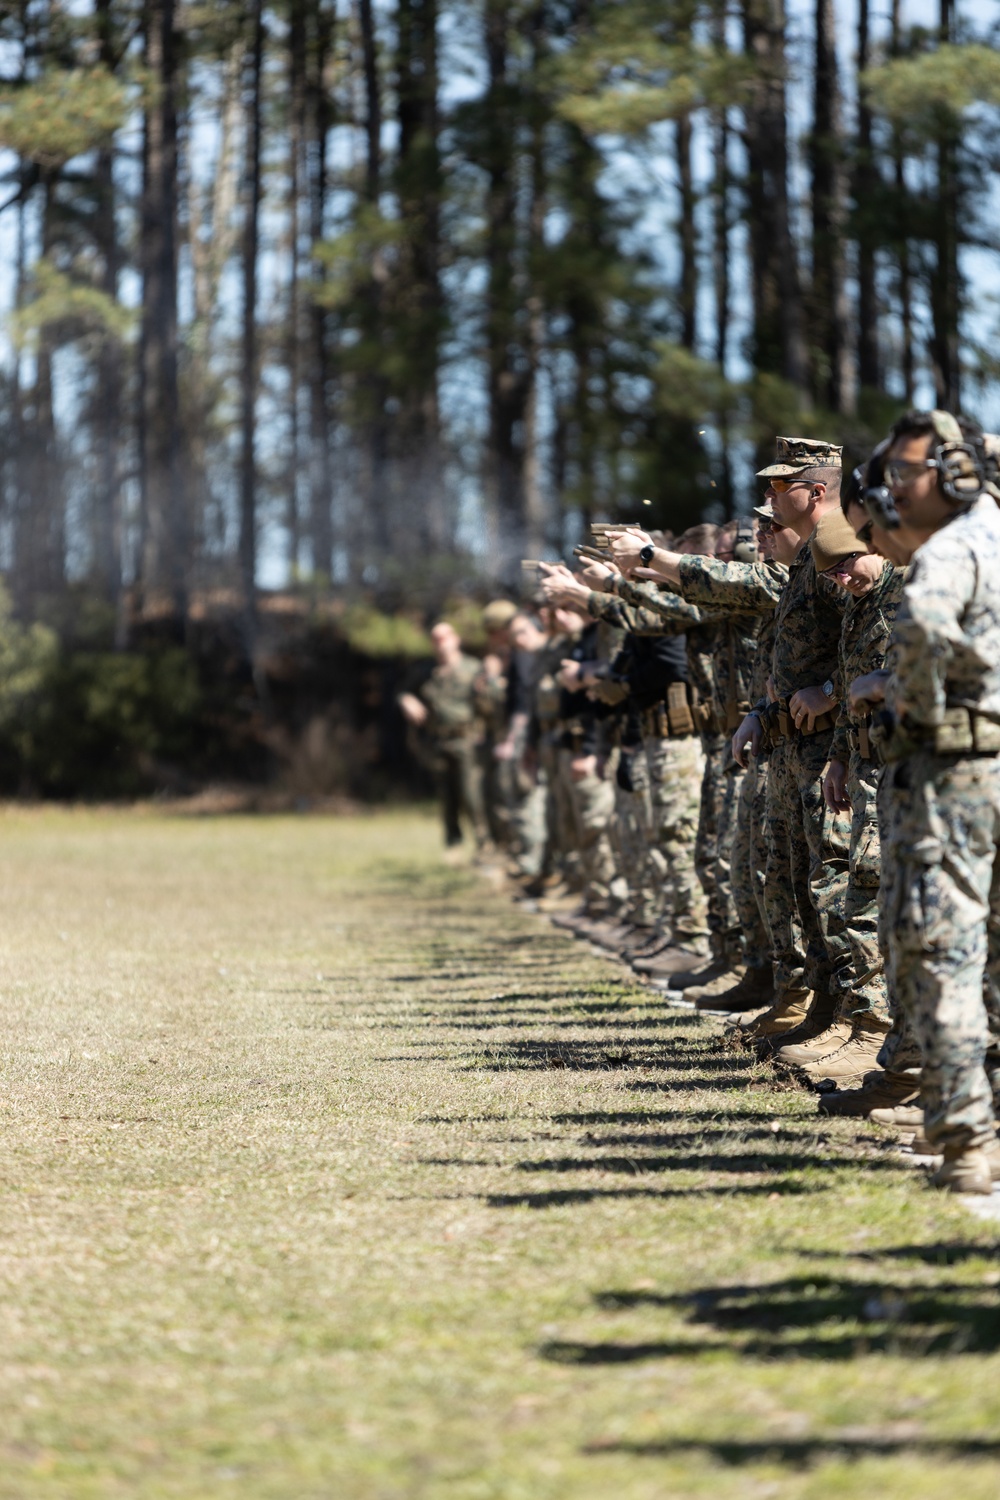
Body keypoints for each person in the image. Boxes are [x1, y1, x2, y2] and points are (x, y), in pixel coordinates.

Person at [848, 409, 1000, 1193]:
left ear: (956, 476)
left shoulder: (949, 553)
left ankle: (967, 1139)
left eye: (908, 475)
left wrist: (898, 700)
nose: (896, 491)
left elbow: (926, 638)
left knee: (940, 956)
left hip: (952, 776)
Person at [399, 621, 489, 851]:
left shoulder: (474, 668)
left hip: (468, 740)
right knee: (446, 796)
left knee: (472, 795)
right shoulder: (425, 672)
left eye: (445, 637)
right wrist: (406, 700)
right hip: (438, 741)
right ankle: (453, 844)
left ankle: (484, 843)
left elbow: (489, 704)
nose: (441, 643)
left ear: (455, 639)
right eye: (436, 639)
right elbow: (403, 691)